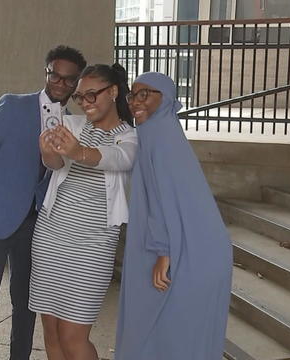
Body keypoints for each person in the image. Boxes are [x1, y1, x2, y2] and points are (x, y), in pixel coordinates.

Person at [0, 45, 87, 360]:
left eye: (69, 79)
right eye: (55, 74)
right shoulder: (12, 106)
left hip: (38, 228)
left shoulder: (73, 125)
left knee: (27, 305)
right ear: (47, 72)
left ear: (75, 84)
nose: (60, 83)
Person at [115, 72, 232, 360]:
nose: (135, 102)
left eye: (146, 94)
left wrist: (164, 251)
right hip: (195, 249)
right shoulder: (163, 130)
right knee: (176, 337)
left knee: (159, 334)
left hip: (182, 252)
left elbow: (159, 196)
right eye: (133, 95)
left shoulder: (158, 134)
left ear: (165, 99)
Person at [29, 63, 137, 360]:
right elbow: (55, 166)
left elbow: (117, 159)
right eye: (80, 97)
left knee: (73, 338)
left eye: (92, 95)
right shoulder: (72, 125)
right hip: (51, 237)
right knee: (51, 333)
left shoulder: (129, 137)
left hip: (92, 246)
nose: (86, 103)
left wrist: (78, 152)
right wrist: (48, 151)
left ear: (113, 92)